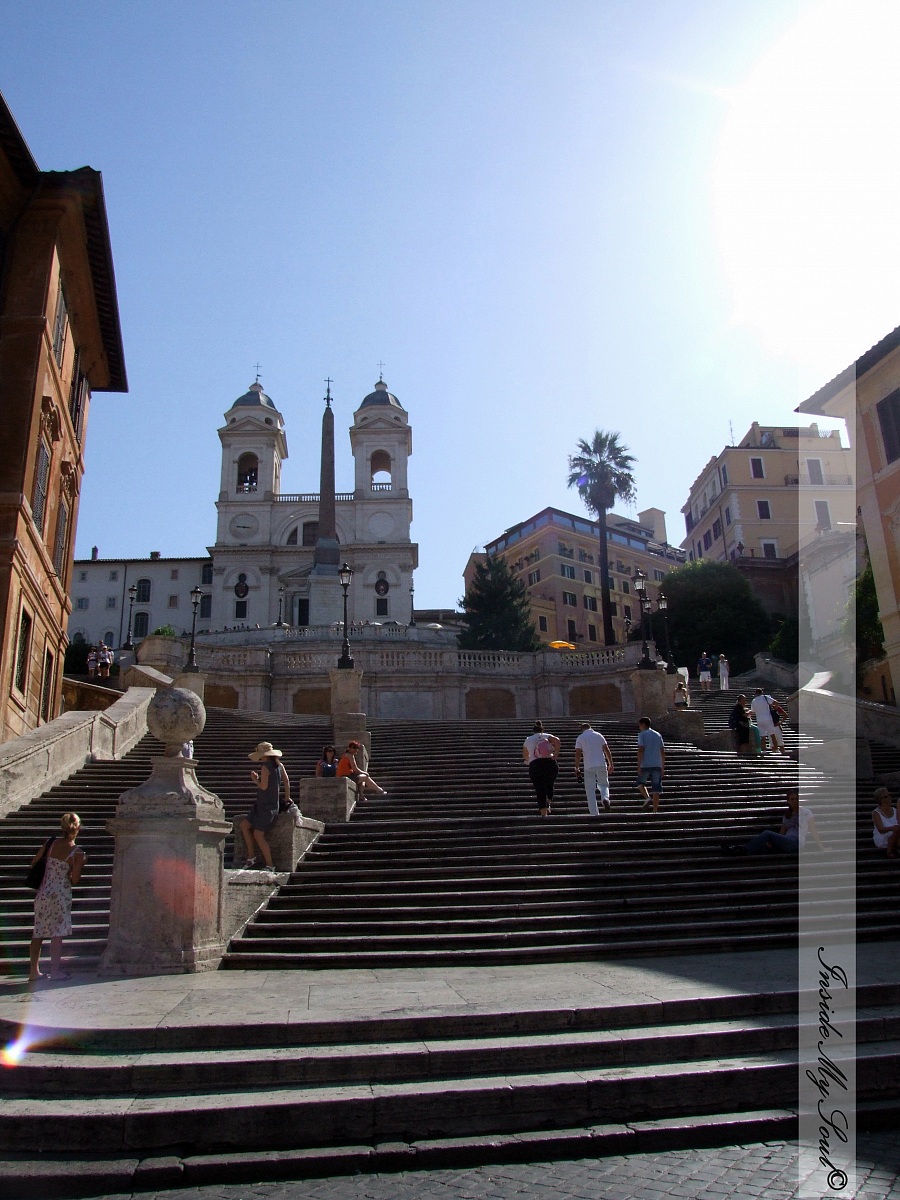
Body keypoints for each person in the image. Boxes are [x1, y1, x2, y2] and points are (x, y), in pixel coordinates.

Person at [29, 812, 86, 982]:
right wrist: (79, 865)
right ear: (78, 828)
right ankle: (55, 971)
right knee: (57, 933)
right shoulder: (77, 852)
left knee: (38, 931)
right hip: (60, 894)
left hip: (43, 891)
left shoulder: (50, 843)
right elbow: (74, 879)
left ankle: (34, 971)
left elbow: (34, 862)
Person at [721, 788, 826, 855]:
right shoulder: (787, 815)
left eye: (796, 799)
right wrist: (773, 842)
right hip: (786, 841)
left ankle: (743, 849)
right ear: (788, 801)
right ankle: (735, 851)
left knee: (767, 833)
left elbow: (813, 831)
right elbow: (781, 833)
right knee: (763, 848)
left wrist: (822, 847)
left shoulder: (806, 812)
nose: (795, 801)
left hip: (796, 843)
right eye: (792, 799)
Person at [239, 741, 291, 869]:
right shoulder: (280, 765)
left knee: (258, 834)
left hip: (266, 806)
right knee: (244, 825)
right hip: (266, 804)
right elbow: (286, 781)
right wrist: (287, 797)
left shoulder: (265, 767)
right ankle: (251, 857)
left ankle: (270, 865)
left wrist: (255, 780)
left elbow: (263, 786)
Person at [574, 722, 614, 814]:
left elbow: (578, 753)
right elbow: (606, 750)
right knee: (604, 784)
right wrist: (610, 763)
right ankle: (605, 798)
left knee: (590, 790)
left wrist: (576, 767)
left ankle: (594, 813)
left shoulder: (580, 738)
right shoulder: (598, 735)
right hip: (601, 764)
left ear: (582, 729)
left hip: (588, 766)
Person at [522, 720, 560, 817]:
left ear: (533, 731)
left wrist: (527, 760)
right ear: (542, 730)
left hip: (536, 765)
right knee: (549, 784)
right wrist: (555, 754)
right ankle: (549, 801)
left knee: (540, 789)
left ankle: (544, 814)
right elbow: (557, 740)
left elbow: (525, 754)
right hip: (550, 763)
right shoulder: (547, 736)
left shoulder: (528, 739)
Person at [636, 717, 665, 812]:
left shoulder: (642, 735)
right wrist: (662, 766)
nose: (639, 727)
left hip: (646, 764)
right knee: (656, 789)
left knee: (640, 783)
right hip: (657, 764)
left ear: (643, 724)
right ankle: (655, 810)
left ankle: (647, 798)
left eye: (639, 725)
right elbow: (662, 751)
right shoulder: (658, 735)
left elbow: (641, 750)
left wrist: (639, 764)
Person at [750, 688, 787, 754]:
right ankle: (776, 749)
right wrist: (775, 707)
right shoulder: (765, 697)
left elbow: (753, 711)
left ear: (755, 694)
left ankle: (764, 750)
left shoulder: (753, 701)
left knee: (762, 737)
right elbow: (776, 702)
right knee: (772, 735)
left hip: (759, 720)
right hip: (767, 719)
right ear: (762, 692)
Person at [872, 786, 900, 858]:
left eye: (889, 795)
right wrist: (892, 828)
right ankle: (890, 850)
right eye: (886, 796)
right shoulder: (876, 813)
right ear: (880, 800)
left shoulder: (895, 810)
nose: (889, 797)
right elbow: (881, 829)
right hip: (883, 837)